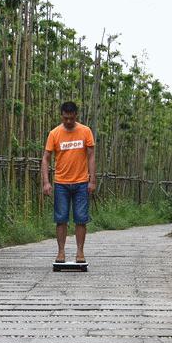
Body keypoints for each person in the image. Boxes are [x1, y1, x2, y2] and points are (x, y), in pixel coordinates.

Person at [41, 101, 97, 263]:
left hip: (81, 182)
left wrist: (92, 180)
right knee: (61, 219)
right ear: (61, 116)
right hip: (61, 183)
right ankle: (61, 252)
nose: (68, 121)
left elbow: (91, 156)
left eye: (71, 118)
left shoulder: (85, 131)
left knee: (81, 218)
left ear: (76, 116)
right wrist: (46, 182)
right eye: (65, 118)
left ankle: (80, 252)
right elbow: (46, 158)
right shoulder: (54, 134)